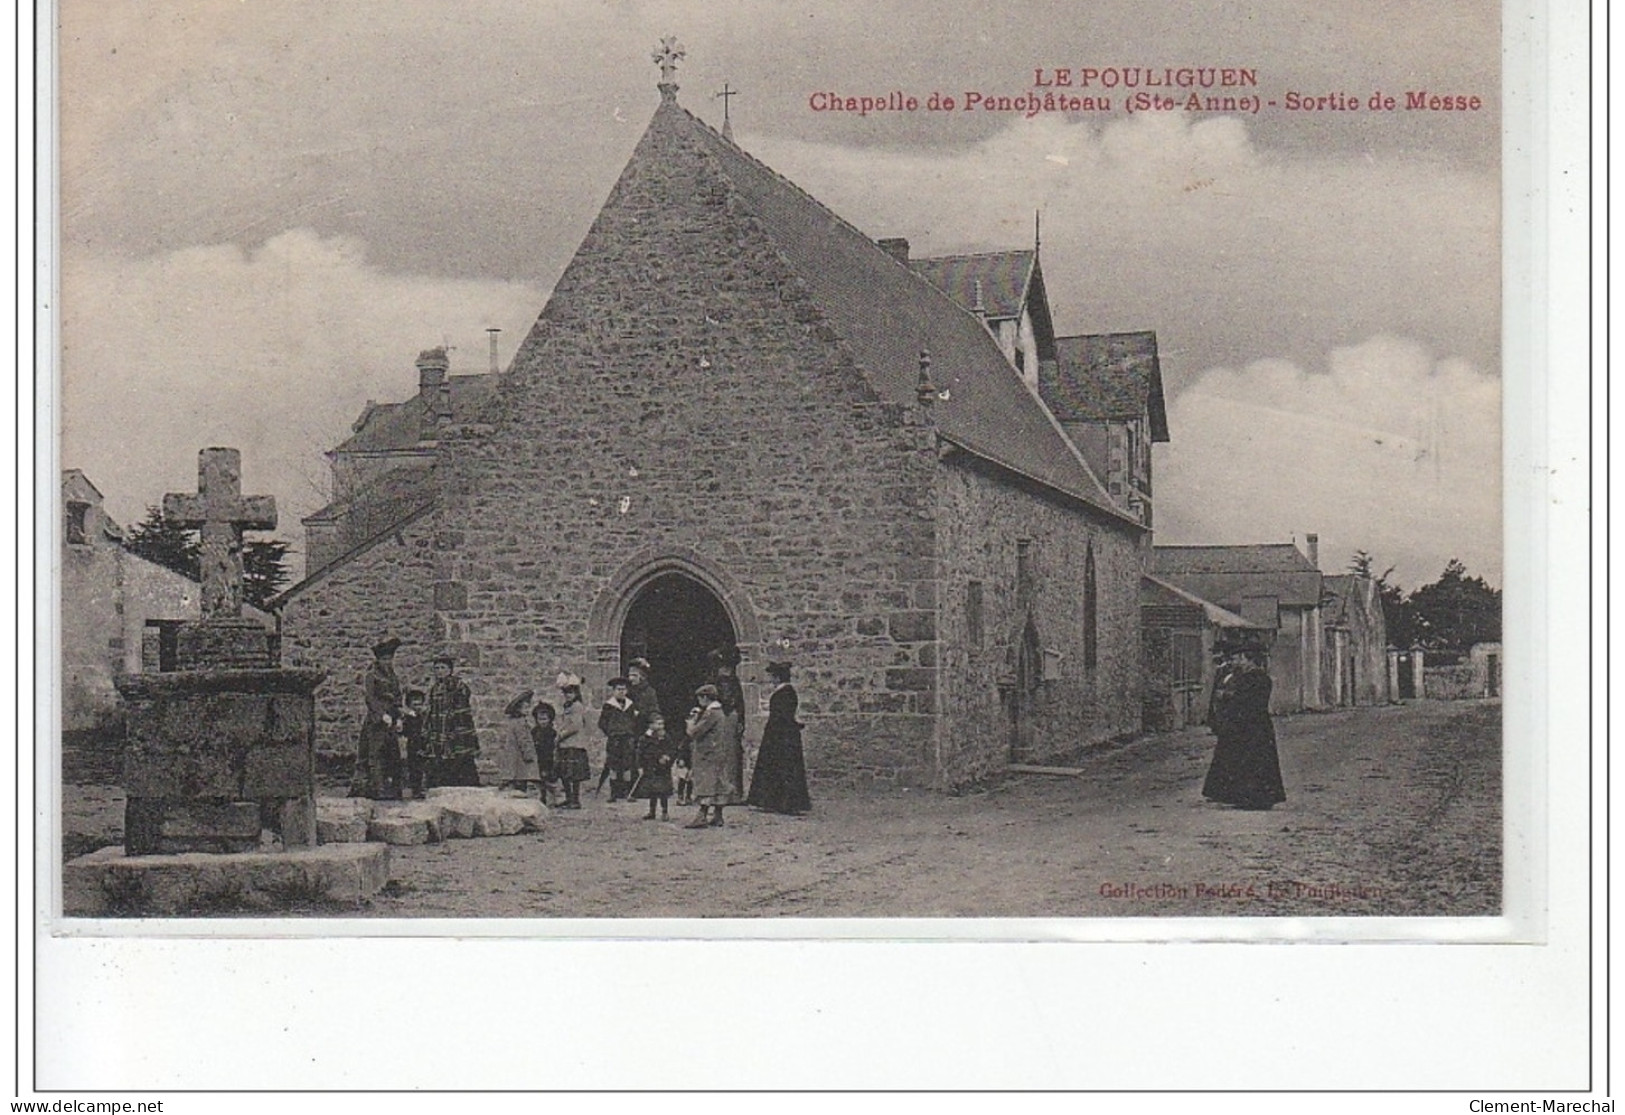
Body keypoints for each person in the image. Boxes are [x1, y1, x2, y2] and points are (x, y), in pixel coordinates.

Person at [1201, 642, 1286, 810]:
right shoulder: (1259, 678)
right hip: (1256, 725)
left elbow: (1246, 702)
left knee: (1250, 761)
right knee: (1253, 761)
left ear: (1250, 661)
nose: (1241, 662)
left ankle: (1251, 797)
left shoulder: (1253, 678)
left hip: (1249, 724)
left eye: (1243, 659)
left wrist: (1227, 697)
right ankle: (1252, 796)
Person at [746, 661, 811, 814]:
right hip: (780, 733)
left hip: (781, 735)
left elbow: (783, 716)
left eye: (772, 676)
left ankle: (785, 803)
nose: (770, 679)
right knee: (777, 767)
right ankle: (774, 801)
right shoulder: (784, 691)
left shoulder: (785, 693)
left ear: (777, 678)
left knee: (783, 767)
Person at [351, 636, 403, 799]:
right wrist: (381, 715)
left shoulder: (393, 676)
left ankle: (393, 789)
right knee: (375, 754)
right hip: (376, 720)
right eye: (384, 659)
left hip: (391, 719)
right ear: (378, 659)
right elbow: (370, 698)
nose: (387, 662)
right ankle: (377, 788)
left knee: (393, 754)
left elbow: (397, 697)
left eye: (390, 659)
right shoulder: (372, 675)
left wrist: (398, 717)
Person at [684, 684, 742, 828]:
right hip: (717, 752)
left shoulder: (711, 713)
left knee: (707, 784)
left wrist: (691, 722)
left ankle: (702, 816)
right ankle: (718, 816)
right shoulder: (719, 712)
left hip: (708, 754)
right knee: (718, 783)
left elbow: (695, 732)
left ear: (705, 697)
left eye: (700, 698)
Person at [426, 653, 482, 787]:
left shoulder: (457, 685)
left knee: (461, 758)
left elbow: (461, 709)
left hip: (456, 730)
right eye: (437, 668)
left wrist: (454, 727)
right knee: (441, 760)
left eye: (443, 668)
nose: (440, 671)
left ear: (450, 670)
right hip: (440, 730)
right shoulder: (434, 689)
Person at [711, 646, 748, 794]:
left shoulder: (725, 681)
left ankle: (728, 790)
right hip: (731, 717)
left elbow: (728, 701)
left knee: (727, 754)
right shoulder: (728, 680)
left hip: (727, 718)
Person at [597, 676, 641, 801]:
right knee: (613, 766)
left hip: (627, 739)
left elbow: (635, 721)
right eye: (618, 689)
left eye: (623, 689)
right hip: (614, 740)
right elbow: (602, 723)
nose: (621, 692)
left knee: (627, 765)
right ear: (614, 691)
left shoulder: (630, 705)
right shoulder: (609, 706)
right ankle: (614, 793)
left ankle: (627, 792)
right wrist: (611, 732)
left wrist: (631, 732)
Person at [553, 673, 591, 810]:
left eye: (571, 692)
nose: (568, 695)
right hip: (566, 745)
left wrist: (560, 736)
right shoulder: (568, 706)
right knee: (565, 774)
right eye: (566, 693)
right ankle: (569, 798)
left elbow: (575, 726)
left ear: (576, 693)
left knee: (574, 775)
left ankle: (575, 800)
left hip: (574, 744)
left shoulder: (577, 706)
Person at [495, 689, 541, 792]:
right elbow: (523, 740)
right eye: (525, 707)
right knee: (521, 779)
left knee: (517, 779)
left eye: (528, 707)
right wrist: (529, 754)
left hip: (514, 758)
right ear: (518, 709)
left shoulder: (513, 722)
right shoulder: (520, 723)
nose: (527, 710)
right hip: (520, 759)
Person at [631, 716, 675, 821]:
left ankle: (665, 811)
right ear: (651, 725)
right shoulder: (645, 738)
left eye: (662, 724)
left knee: (663, 791)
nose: (661, 726)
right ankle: (652, 811)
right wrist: (640, 766)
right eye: (658, 724)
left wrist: (667, 757)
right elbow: (639, 753)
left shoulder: (666, 737)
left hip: (662, 768)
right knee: (652, 791)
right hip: (650, 767)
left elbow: (672, 749)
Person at [400, 688, 430, 797]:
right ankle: (416, 789)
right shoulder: (408, 718)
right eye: (415, 704)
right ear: (410, 705)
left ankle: (423, 788)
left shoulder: (423, 717)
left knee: (423, 767)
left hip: (423, 744)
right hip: (413, 745)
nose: (418, 707)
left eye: (420, 704)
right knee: (414, 768)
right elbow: (405, 732)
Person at [531, 701, 559, 806]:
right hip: (539, 758)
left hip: (548, 758)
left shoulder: (551, 732)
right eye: (540, 719)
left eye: (545, 719)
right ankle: (542, 796)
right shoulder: (534, 732)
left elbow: (552, 746)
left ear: (549, 719)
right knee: (540, 780)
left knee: (549, 779)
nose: (542, 722)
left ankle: (552, 797)